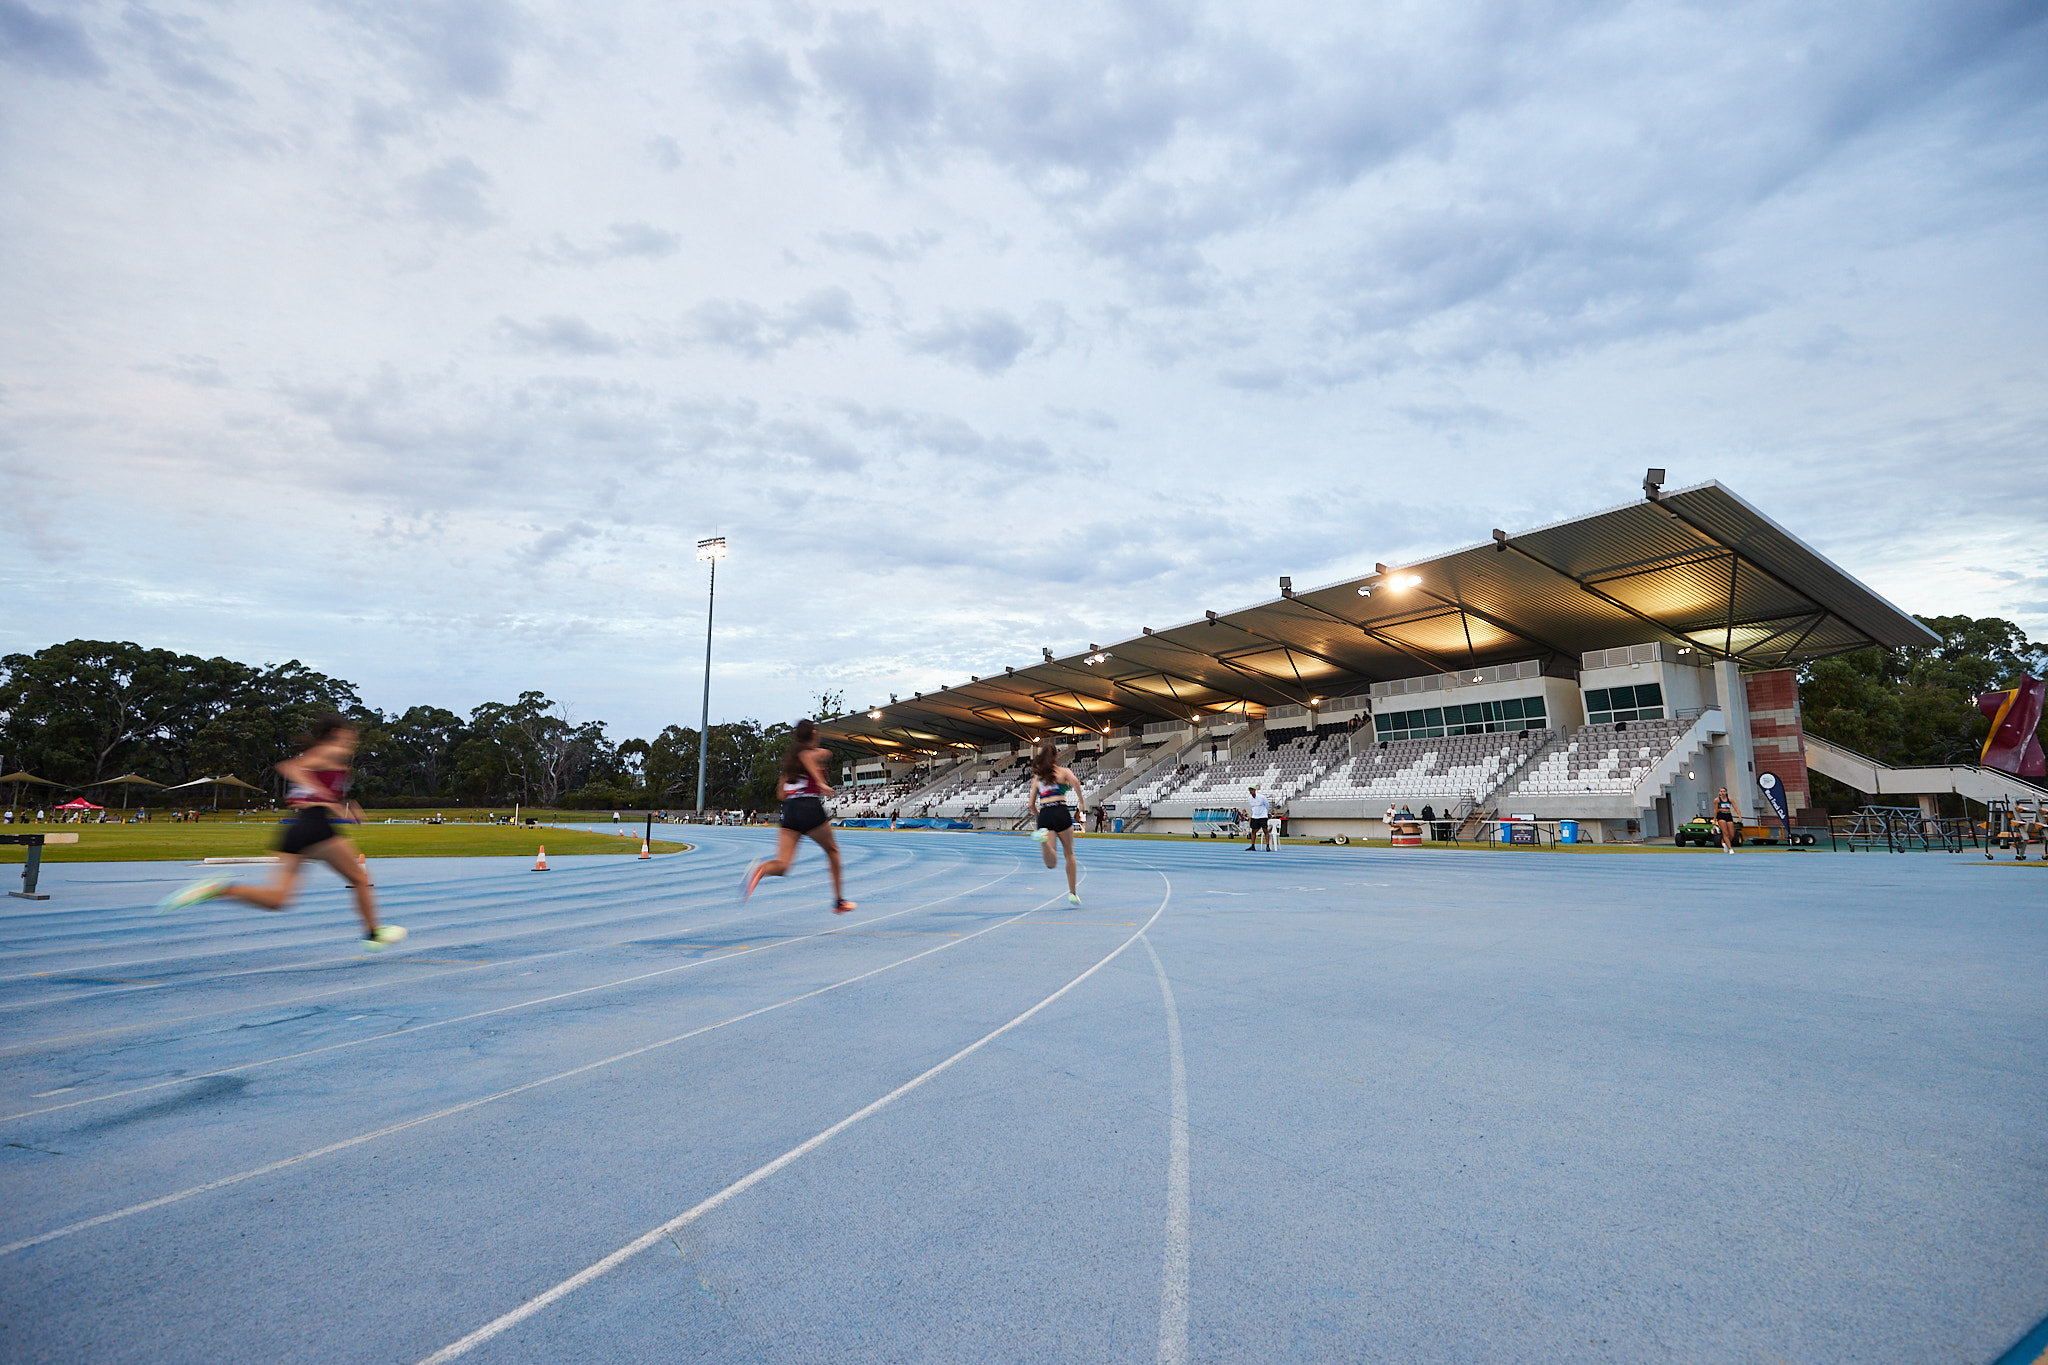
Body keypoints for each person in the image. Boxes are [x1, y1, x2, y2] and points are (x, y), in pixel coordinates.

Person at [156, 715, 405, 947]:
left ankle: (220, 889)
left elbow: (309, 785)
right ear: (338, 733)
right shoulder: (331, 751)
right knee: (360, 878)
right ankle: (373, 934)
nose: (353, 741)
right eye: (350, 736)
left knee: (278, 899)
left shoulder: (330, 757)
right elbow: (290, 768)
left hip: (295, 829)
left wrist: (342, 804)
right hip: (316, 828)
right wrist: (329, 799)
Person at [744, 719, 855, 913]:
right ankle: (839, 901)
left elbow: (781, 794)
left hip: (791, 810)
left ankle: (760, 870)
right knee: (833, 851)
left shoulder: (789, 765)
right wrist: (820, 782)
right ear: (813, 733)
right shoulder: (813, 754)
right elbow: (810, 756)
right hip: (810, 807)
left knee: (783, 865)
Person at [1026, 741, 1084, 905]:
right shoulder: (1064, 771)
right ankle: (1072, 893)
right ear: (1057, 756)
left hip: (1045, 813)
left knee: (1051, 863)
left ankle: (1044, 841)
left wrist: (1039, 816)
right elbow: (1076, 782)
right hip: (1060, 811)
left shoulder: (1038, 776)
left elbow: (1031, 804)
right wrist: (1081, 802)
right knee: (1069, 854)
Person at [1246, 785, 1274, 851]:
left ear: (1255, 790)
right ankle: (1252, 846)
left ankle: (1267, 846)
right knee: (1253, 831)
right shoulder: (1249, 798)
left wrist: (1265, 812)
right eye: (1250, 790)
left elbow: (1267, 804)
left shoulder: (1261, 797)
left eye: (1252, 790)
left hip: (1262, 816)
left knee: (1265, 830)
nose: (1251, 791)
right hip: (1255, 816)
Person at [1713, 786, 1739, 854]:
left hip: (1728, 815)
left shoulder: (1729, 799)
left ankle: (1726, 843)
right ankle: (1730, 848)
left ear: (1726, 792)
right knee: (1725, 832)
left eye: (1724, 791)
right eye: (1721, 791)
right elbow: (1715, 810)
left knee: (1731, 834)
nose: (1723, 793)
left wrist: (1739, 815)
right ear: (1719, 793)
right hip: (1721, 815)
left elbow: (1735, 808)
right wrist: (1714, 819)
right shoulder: (1717, 800)